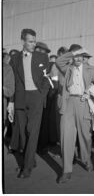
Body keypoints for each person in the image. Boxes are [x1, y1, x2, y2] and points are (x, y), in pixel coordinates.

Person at [7, 28, 51, 178]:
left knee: (32, 132)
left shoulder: (42, 57)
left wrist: (41, 94)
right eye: (30, 41)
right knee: (22, 133)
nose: (33, 44)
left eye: (34, 41)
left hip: (35, 98)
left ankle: (26, 168)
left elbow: (47, 78)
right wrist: (11, 102)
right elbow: (12, 82)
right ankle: (30, 159)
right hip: (19, 98)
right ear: (23, 41)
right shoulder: (14, 59)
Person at [55, 44, 94, 183]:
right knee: (66, 137)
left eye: (81, 55)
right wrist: (72, 53)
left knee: (85, 136)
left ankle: (87, 160)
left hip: (84, 103)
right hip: (68, 103)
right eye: (76, 56)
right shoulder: (67, 69)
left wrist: (91, 94)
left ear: (84, 56)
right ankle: (66, 170)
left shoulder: (91, 70)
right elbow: (58, 61)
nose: (79, 58)